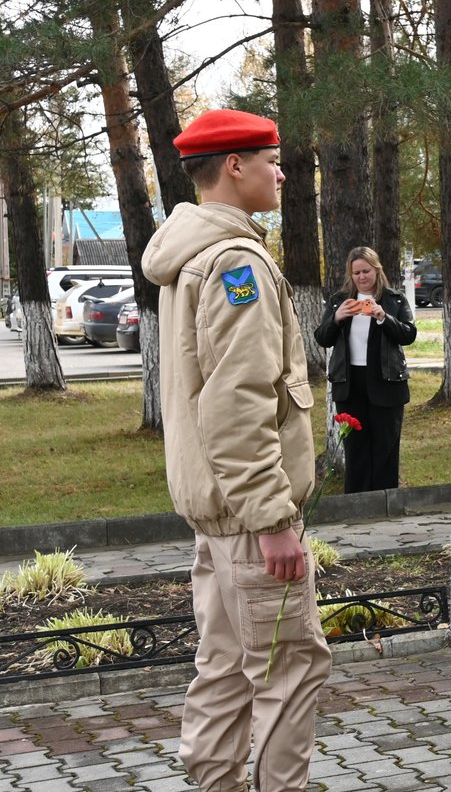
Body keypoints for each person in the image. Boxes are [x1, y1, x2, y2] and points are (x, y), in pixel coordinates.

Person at [140, 108, 331, 792]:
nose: (282, 173)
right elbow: (236, 403)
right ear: (234, 167)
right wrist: (275, 521)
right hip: (251, 519)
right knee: (289, 670)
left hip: (219, 512)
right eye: (272, 160)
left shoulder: (188, 250)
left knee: (223, 664)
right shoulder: (234, 262)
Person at [313, 246, 417, 493]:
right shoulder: (340, 300)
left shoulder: (394, 299)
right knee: (355, 447)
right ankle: (357, 504)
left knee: (386, 447)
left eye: (366, 271)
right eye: (356, 272)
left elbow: (408, 335)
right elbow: (322, 338)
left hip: (386, 381)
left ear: (376, 270)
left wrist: (383, 317)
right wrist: (337, 317)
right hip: (349, 384)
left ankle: (386, 501)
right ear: (351, 275)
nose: (362, 277)